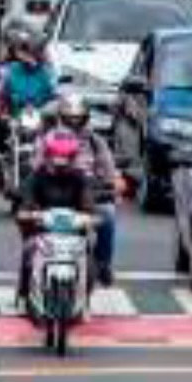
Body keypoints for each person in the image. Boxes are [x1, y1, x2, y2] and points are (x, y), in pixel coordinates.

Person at [14, 129, 99, 309]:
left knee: (90, 259)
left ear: (73, 157)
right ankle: (23, 294)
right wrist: (28, 214)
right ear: (47, 155)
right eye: (55, 156)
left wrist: (91, 216)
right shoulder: (36, 176)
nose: (60, 163)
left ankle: (84, 300)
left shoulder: (81, 178)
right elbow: (26, 201)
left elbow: (89, 203)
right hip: (42, 231)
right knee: (29, 250)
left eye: (66, 157)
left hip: (75, 233)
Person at [51, 92, 124, 287]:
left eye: (78, 118)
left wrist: (114, 183)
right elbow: (35, 167)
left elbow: (109, 168)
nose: (74, 123)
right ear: (61, 117)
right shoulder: (48, 138)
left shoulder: (95, 141)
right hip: (55, 197)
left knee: (108, 215)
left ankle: (103, 264)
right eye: (70, 118)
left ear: (85, 118)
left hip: (88, 198)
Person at [0, 19, 57, 187]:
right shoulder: (8, 70)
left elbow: (56, 91)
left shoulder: (47, 71)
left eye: (35, 50)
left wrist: (56, 102)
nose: (30, 54)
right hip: (14, 115)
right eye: (25, 49)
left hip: (40, 116)